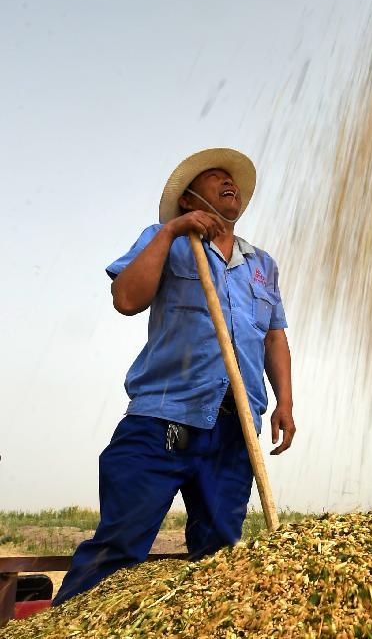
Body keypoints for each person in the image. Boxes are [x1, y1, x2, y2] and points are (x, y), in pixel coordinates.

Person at [53, 147, 295, 605]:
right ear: (188, 200)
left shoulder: (262, 265)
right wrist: (171, 233)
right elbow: (126, 298)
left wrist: (285, 402)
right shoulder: (164, 237)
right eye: (216, 178)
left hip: (233, 428)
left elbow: (274, 339)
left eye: (234, 180)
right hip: (162, 418)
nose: (231, 184)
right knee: (118, 545)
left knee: (221, 556)